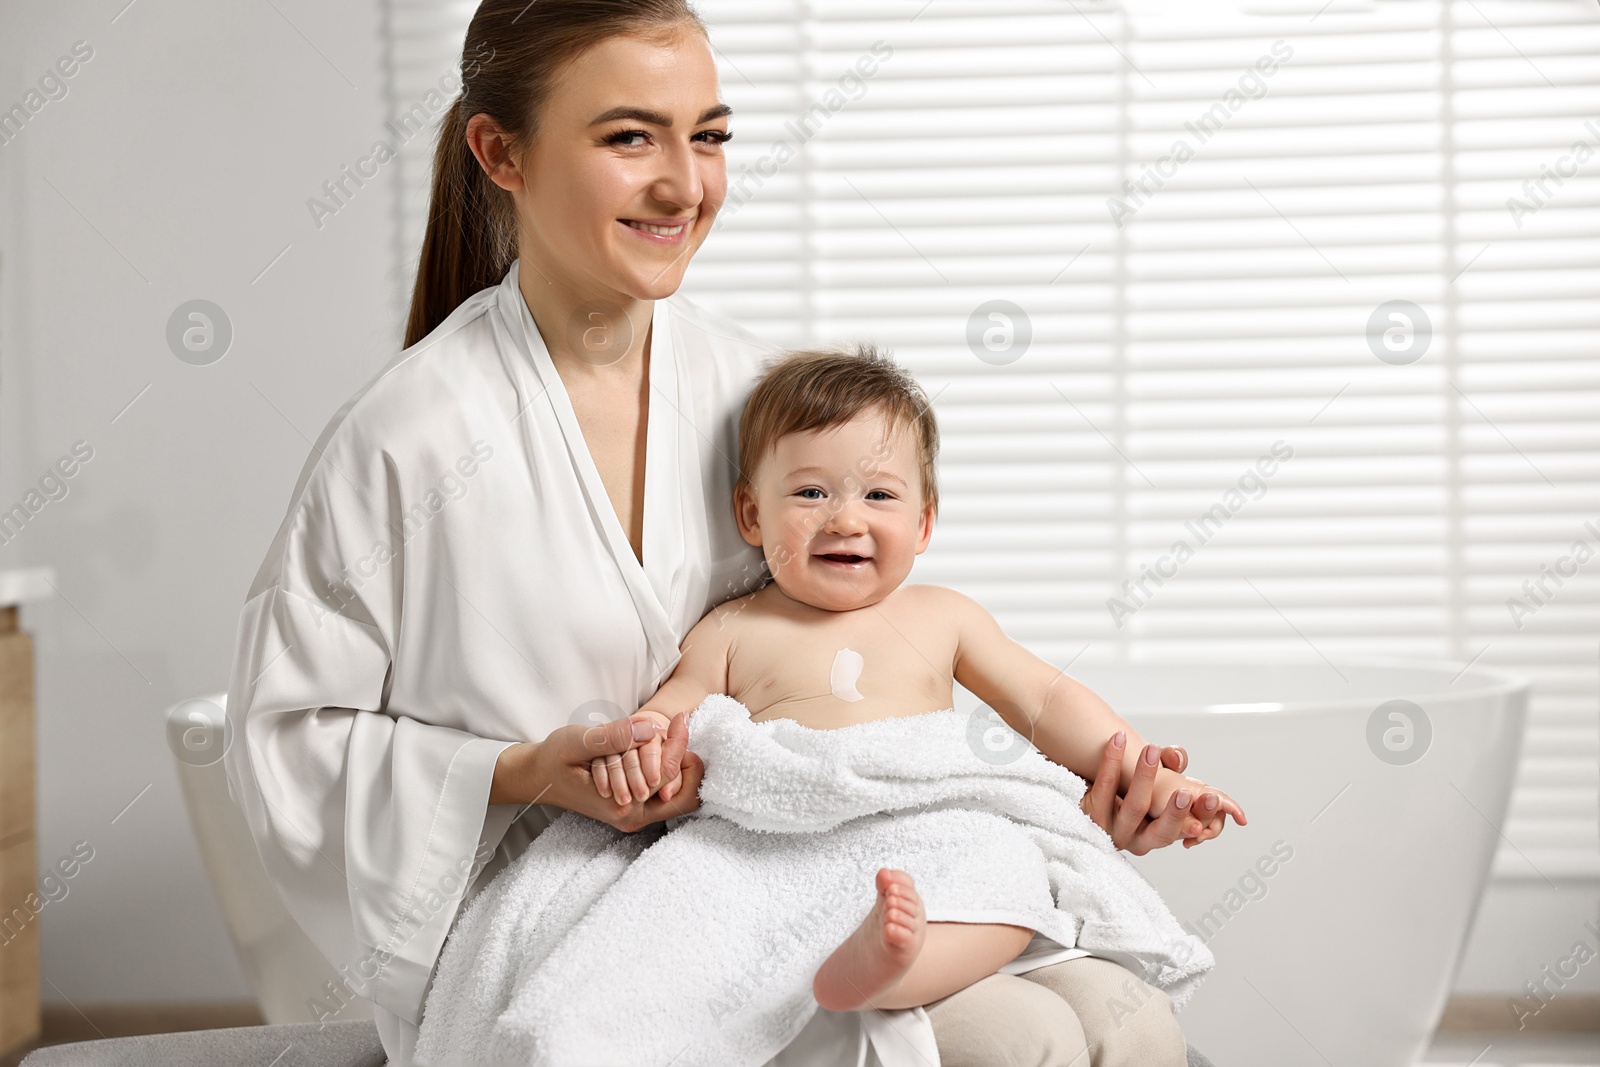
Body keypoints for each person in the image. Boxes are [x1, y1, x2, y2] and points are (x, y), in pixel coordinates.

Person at [222, 3, 1223, 1065]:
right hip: (571, 909)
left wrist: (1107, 780)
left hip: (811, 849)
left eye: (708, 135)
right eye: (627, 137)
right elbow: (287, 743)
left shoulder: (757, 398)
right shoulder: (407, 437)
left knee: (1137, 1020)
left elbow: (861, 649)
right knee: (1011, 1038)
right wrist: (525, 768)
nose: (684, 184)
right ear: (498, 151)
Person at [578, 343, 1243, 1064]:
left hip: (946, 853)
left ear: (924, 523)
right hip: (826, 868)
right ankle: (887, 965)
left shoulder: (941, 615)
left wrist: (1156, 771)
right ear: (750, 513)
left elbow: (1046, 699)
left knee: (1139, 1023)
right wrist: (641, 745)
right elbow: (675, 711)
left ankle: (905, 957)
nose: (844, 519)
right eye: (810, 493)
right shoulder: (734, 629)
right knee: (1011, 960)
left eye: (879, 494)